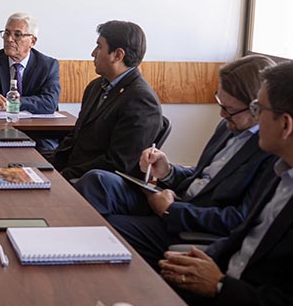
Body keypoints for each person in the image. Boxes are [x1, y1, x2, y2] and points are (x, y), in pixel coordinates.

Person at [75, 55, 278, 267]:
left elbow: (238, 219)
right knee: (97, 181)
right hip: (177, 198)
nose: (221, 114)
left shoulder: (270, 150)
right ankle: (60, 246)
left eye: (229, 109)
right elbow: (203, 176)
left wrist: (171, 211)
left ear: (256, 108)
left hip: (191, 223)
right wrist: (168, 171)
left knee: (104, 228)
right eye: (220, 103)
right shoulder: (228, 126)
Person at [159, 61, 293, 305]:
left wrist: (219, 285)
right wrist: (204, 259)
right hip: (222, 271)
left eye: (259, 108)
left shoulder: (269, 163)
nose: (255, 117)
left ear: (285, 125)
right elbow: (243, 236)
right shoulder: (281, 172)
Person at [51, 20, 162, 180]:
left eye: (99, 46)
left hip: (97, 182)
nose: (93, 53)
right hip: (72, 172)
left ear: (118, 55)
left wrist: (64, 176)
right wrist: (49, 166)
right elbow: (75, 138)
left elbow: (117, 163)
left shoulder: (141, 101)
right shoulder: (96, 86)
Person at [0, 12, 60, 114]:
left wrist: (13, 102)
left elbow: (50, 103)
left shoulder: (48, 66)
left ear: (33, 41)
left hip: (35, 124)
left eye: (17, 35)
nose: (9, 39)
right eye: (7, 33)